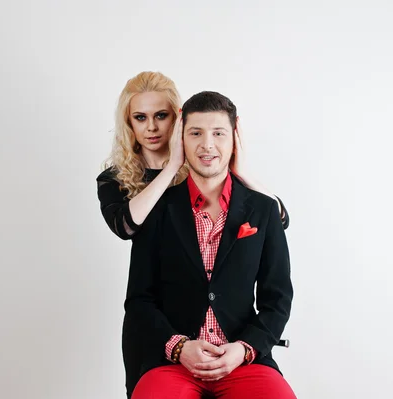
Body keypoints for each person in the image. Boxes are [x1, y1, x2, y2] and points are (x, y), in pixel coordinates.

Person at [95, 71, 291, 397]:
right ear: (183, 136)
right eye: (140, 118)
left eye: (161, 116)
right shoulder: (151, 204)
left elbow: (278, 295)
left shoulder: (258, 208)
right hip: (167, 350)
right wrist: (178, 346)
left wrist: (243, 349)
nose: (152, 127)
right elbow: (139, 292)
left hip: (239, 354)